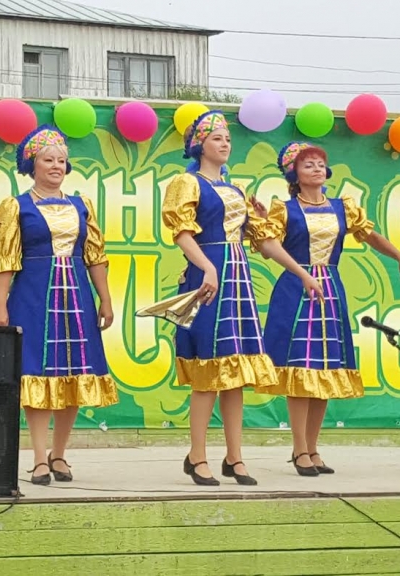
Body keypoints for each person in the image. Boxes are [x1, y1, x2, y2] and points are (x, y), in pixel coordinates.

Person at [161, 110, 324, 486]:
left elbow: (265, 244)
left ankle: (234, 457)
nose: (225, 143)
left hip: (238, 279)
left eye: (227, 138)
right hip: (209, 277)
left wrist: (302, 273)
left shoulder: (235, 191)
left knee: (234, 371)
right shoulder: (188, 183)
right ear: (199, 145)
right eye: (216, 137)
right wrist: (207, 267)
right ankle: (197, 455)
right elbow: (182, 233)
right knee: (208, 373)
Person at [255, 142, 400, 476]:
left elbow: (369, 235)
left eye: (320, 163)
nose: (316, 168)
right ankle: (299, 449)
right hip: (296, 290)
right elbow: (266, 247)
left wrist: (399, 255)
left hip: (329, 288)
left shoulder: (342, 207)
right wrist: (301, 272)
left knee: (325, 370)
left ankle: (313, 449)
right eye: (307, 164)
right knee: (300, 372)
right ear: (294, 174)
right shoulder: (283, 209)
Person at [0, 125, 118, 485]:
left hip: (76, 295)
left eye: (62, 160)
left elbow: (95, 256)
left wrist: (105, 298)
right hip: (34, 294)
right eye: (48, 159)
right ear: (32, 164)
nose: (56, 166)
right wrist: (1, 306)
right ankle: (38, 458)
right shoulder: (16, 206)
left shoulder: (82, 205)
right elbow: (5, 260)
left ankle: (60, 455)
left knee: (73, 374)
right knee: (37, 373)